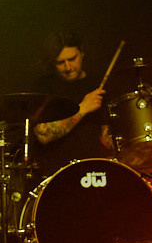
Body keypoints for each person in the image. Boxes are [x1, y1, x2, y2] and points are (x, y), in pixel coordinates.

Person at [28, 35, 109, 169]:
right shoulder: (43, 87)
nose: (68, 67)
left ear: (82, 53)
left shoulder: (98, 84)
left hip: (95, 168)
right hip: (55, 171)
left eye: (72, 59)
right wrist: (82, 109)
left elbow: (108, 134)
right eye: (60, 62)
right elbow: (43, 135)